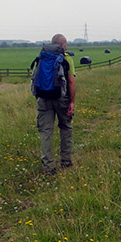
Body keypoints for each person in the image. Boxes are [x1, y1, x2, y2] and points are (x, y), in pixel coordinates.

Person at [35, 33, 76, 174]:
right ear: (63, 44)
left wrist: (37, 95)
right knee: (65, 127)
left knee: (46, 131)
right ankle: (65, 160)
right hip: (61, 98)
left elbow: (35, 77)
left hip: (44, 98)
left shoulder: (43, 56)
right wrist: (72, 101)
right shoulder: (66, 58)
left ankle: (48, 166)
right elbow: (71, 81)